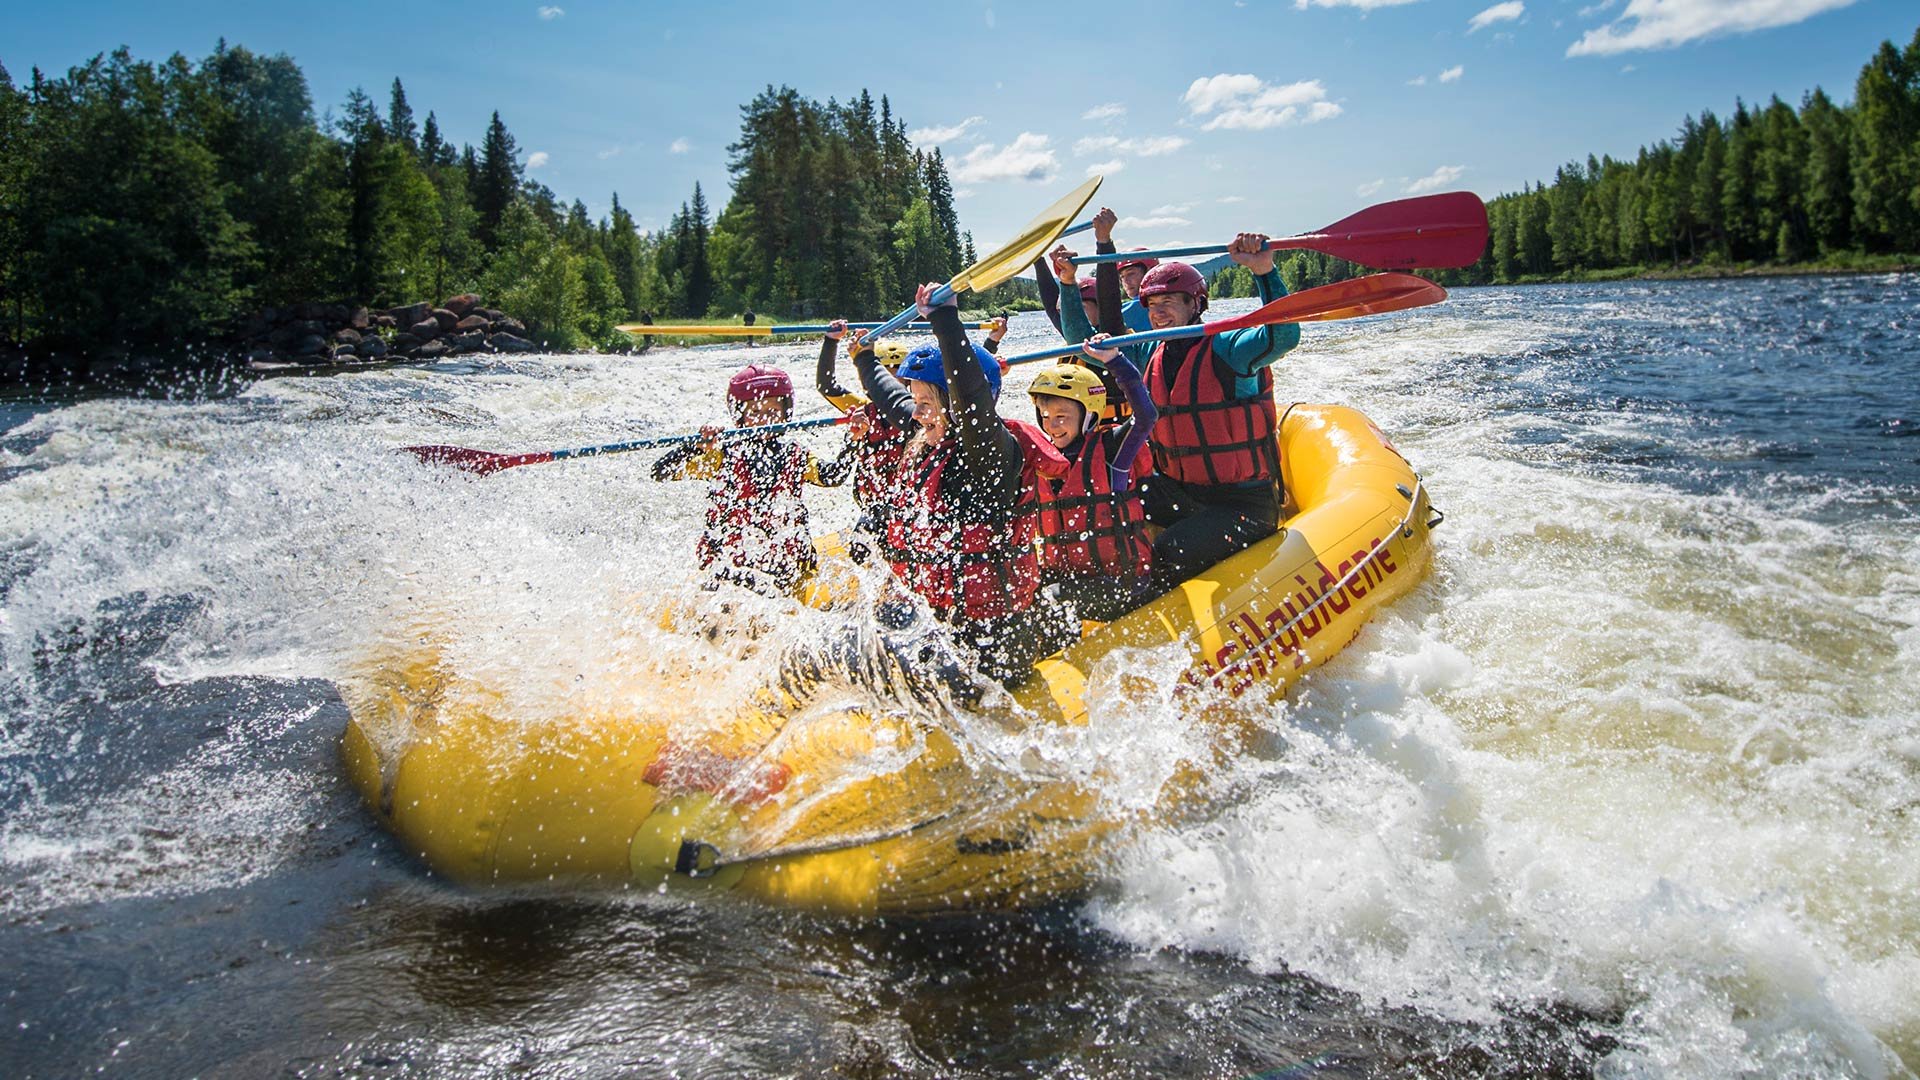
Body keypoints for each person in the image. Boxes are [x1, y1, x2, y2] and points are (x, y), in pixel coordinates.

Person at [868, 284, 1068, 689]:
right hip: (940, 619)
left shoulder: (991, 454)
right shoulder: (929, 435)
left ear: (955, 407)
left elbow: (972, 401)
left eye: (926, 402)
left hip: (995, 636)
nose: (916, 412)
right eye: (915, 399)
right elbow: (889, 397)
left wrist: (946, 319)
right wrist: (861, 356)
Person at [1108, 236, 1301, 593]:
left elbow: (1283, 337)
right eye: (1152, 305)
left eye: (1168, 302)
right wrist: (1068, 283)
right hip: (1182, 494)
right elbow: (1084, 337)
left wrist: (1264, 272)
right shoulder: (1151, 352)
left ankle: (1151, 605)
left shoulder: (1229, 347)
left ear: (1196, 304)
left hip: (1244, 504)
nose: (1158, 313)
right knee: (1109, 506)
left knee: (1169, 549)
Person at [652, 364, 851, 598]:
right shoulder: (721, 455)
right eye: (755, 412)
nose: (765, 419)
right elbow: (661, 472)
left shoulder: (796, 454)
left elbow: (832, 476)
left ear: (786, 413)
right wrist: (694, 447)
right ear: (740, 416)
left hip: (785, 566)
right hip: (731, 569)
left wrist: (853, 440)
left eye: (773, 410)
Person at [1027, 342, 1157, 621]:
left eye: (1062, 417)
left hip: (1122, 584)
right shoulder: (1041, 459)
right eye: (1046, 417)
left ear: (1089, 416)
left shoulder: (1112, 451)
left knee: (1049, 597)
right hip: (1072, 582)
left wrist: (1115, 361)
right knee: (1025, 594)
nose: (1051, 426)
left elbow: (1146, 416)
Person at [816, 322, 913, 562]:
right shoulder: (861, 409)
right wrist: (831, 342)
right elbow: (826, 386)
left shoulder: (920, 414)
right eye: (885, 372)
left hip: (912, 505)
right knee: (860, 551)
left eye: (897, 374)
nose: (892, 379)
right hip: (875, 506)